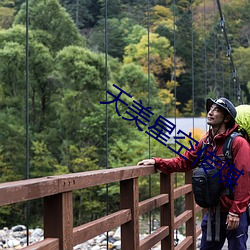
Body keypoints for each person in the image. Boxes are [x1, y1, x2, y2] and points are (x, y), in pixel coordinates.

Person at [137, 97, 250, 250]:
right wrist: (158, 162)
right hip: (213, 211)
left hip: (233, 211)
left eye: (216, 110)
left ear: (227, 118)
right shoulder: (205, 143)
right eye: (210, 109)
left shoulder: (238, 143)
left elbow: (244, 179)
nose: (210, 112)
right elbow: (185, 161)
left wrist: (236, 212)